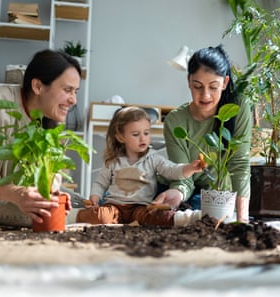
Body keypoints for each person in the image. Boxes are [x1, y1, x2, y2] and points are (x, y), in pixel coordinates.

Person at [0, 49, 82, 227]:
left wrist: (54, 190)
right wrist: (19, 194)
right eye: (67, 90)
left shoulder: (47, 119)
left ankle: (89, 213)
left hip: (16, 194)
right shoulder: (0, 102)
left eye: (76, 92)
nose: (74, 100)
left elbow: (49, 175)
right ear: (38, 87)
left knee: (83, 202)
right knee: (76, 214)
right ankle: (85, 217)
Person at [155, 45, 252, 223]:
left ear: (225, 82)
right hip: (187, 190)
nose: (205, 95)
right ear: (189, 82)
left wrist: (243, 219)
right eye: (197, 86)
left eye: (213, 87)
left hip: (219, 194)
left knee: (210, 217)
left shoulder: (238, 108)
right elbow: (182, 174)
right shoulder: (175, 121)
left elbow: (240, 164)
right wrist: (177, 193)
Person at [76, 106, 204, 226]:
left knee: (159, 217)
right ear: (121, 137)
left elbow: (173, 170)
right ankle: (70, 215)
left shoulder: (153, 158)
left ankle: (189, 217)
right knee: (100, 216)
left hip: (141, 208)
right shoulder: (113, 161)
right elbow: (100, 183)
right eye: (136, 134)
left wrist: (191, 168)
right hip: (115, 206)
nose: (143, 139)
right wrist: (95, 197)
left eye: (146, 133)